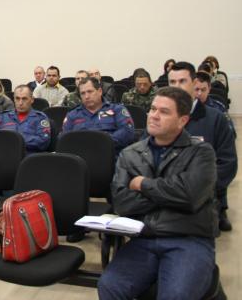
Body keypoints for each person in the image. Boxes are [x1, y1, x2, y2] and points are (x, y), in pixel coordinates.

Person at [98, 87, 218, 300]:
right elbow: (122, 204)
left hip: (189, 240)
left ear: (182, 121)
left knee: (175, 295)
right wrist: (171, 195)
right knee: (109, 286)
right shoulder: (130, 154)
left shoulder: (201, 152)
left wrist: (143, 184)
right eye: (153, 109)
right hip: (144, 239)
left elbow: (190, 197)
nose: (153, 115)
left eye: (163, 112)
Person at [169, 61, 236, 232]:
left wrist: (197, 190)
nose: (177, 87)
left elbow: (227, 164)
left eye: (182, 81)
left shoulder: (216, 119)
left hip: (202, 200)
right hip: (166, 199)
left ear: (194, 84)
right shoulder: (159, 117)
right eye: (172, 82)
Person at [62, 77, 135, 153]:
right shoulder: (72, 115)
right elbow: (64, 139)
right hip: (82, 157)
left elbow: (127, 132)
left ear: (100, 91)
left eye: (90, 91)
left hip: (111, 155)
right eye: (83, 93)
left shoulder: (117, 110)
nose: (86, 96)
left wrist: (100, 143)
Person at [0, 85, 51, 154]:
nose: (20, 103)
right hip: (6, 157)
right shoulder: (3, 117)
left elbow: (43, 142)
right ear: (14, 99)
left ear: (32, 99)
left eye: (24, 99)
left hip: (29, 159)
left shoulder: (40, 118)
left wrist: (15, 140)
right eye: (17, 98)